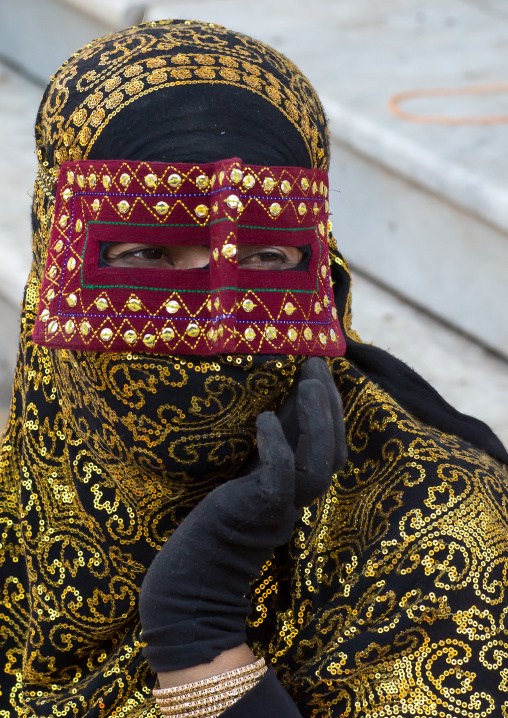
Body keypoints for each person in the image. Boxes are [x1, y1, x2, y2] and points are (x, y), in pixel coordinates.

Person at [1, 18, 508, 718]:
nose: (211, 334)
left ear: (317, 266)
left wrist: (197, 628)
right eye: (146, 257)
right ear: (57, 255)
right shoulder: (22, 483)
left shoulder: (437, 529)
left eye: (263, 259)